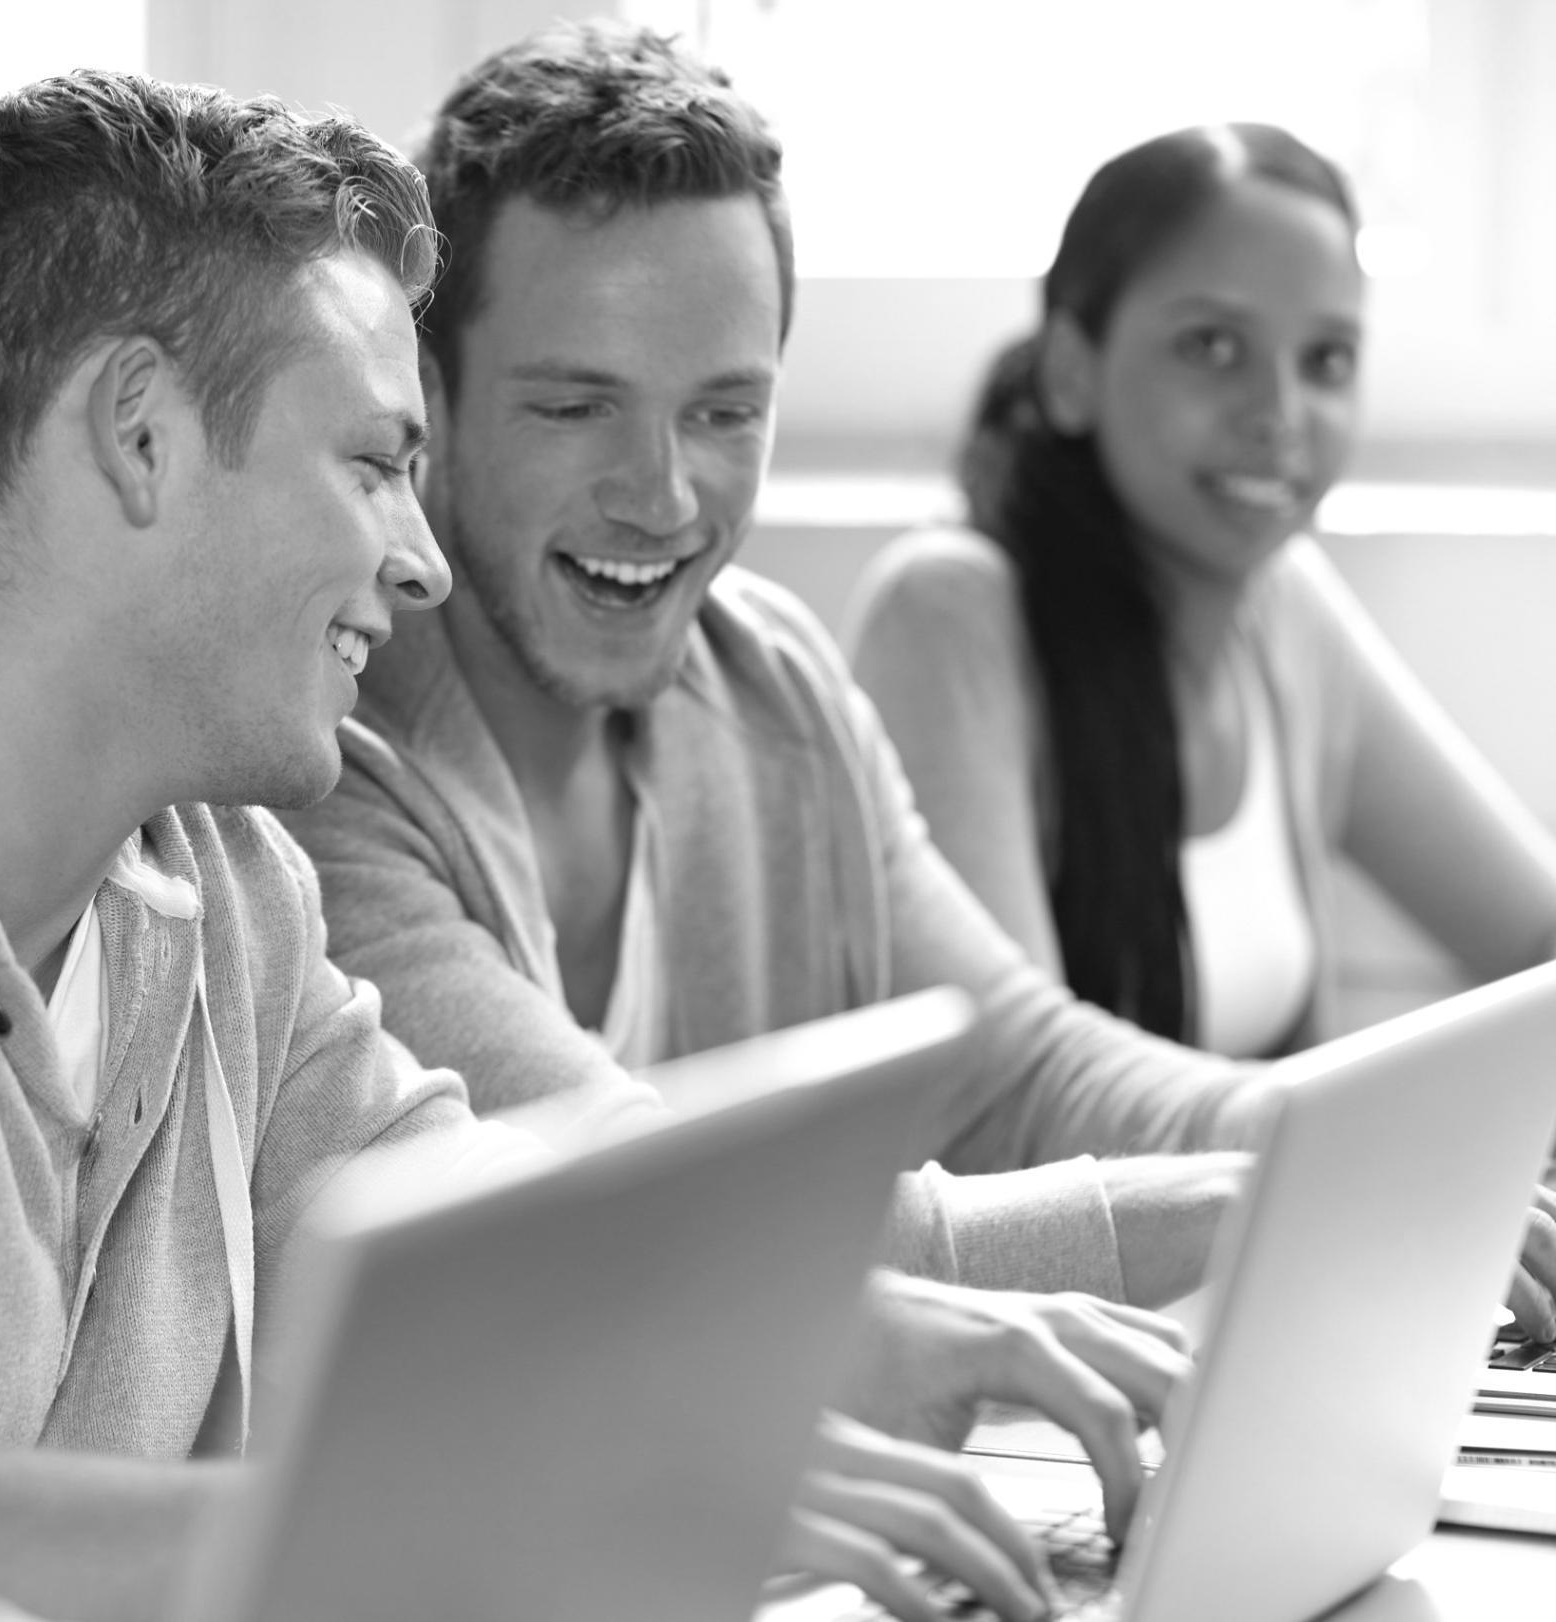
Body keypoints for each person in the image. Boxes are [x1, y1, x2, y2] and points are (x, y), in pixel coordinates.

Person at [0, 72, 1206, 1622]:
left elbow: (523, 1277)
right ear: (136, 438)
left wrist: (879, 1353)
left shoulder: (210, 889)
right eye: (373, 459)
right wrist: (577, 1522)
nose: (422, 555)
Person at [280, 21, 1288, 1323]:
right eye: (576, 405)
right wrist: (1178, 1215)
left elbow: (1016, 1069)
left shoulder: (774, 685)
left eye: (724, 411)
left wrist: (1311, 1138)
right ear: (428, 399)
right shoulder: (320, 749)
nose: (662, 494)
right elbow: (664, 1220)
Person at [846, 124, 1556, 1061]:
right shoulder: (947, 615)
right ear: (1071, 371)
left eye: (1327, 360)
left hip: (1287, 1208)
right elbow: (1008, 1100)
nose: (1279, 416)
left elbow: (1536, 938)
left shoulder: (1286, 602)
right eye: (1213, 346)